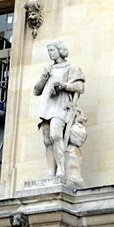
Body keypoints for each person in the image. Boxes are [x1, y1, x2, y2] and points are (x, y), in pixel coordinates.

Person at [34, 40, 85, 178]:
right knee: (47, 139)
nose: (50, 53)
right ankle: (51, 171)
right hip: (47, 105)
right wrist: (44, 78)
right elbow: (36, 91)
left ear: (60, 50)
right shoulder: (49, 70)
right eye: (48, 51)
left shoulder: (72, 67)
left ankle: (61, 169)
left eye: (52, 50)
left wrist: (64, 86)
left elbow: (80, 87)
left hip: (61, 105)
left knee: (56, 135)